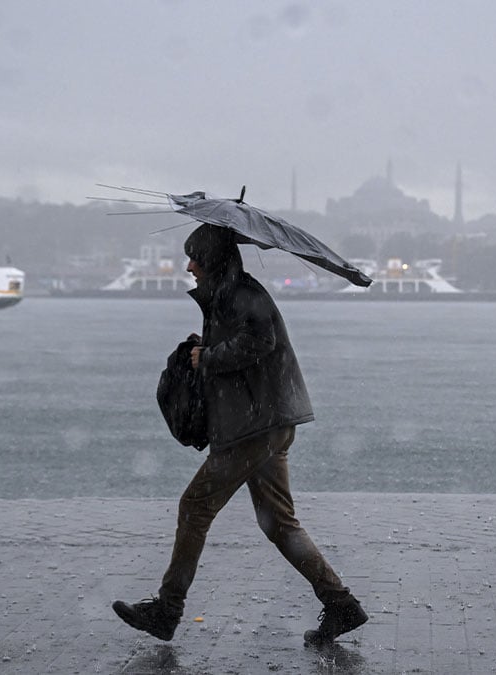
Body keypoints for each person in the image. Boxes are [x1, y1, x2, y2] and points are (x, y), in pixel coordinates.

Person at [112, 223, 368, 645]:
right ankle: (341, 605)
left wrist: (207, 356)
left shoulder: (238, 293)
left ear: (212, 259)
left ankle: (167, 610)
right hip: (268, 422)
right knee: (280, 524)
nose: (189, 265)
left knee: (195, 507)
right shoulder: (232, 292)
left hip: (253, 426)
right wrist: (207, 343)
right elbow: (249, 340)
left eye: (195, 256)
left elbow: (259, 341)